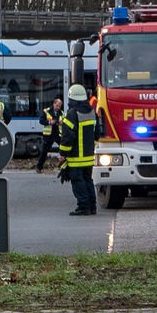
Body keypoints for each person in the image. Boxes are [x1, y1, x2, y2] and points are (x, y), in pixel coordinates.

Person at [58, 83, 98, 216]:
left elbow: (68, 137)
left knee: (78, 181)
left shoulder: (72, 113)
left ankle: (83, 207)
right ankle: (92, 206)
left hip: (75, 157)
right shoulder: (92, 112)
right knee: (88, 180)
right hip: (89, 156)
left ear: (71, 99)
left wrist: (63, 154)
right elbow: (97, 133)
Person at [35, 96, 64, 173]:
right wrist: (49, 122)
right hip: (48, 135)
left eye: (59, 106)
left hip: (58, 134)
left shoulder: (62, 113)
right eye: (57, 106)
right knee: (44, 152)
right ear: (53, 104)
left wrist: (62, 123)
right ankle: (39, 167)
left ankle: (63, 166)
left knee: (64, 149)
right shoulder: (46, 111)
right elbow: (41, 121)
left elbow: (65, 122)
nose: (58, 107)